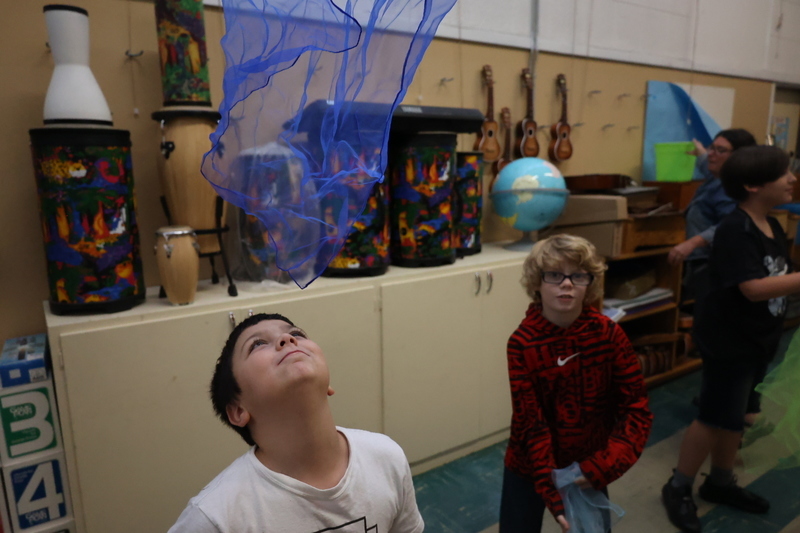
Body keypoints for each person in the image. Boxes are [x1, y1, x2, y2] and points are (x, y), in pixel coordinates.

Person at [169, 313, 424, 533]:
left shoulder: (386, 458)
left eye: (296, 334)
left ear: (328, 385)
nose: (287, 339)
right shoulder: (215, 517)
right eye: (258, 344)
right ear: (238, 410)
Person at [662, 146, 798, 533]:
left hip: (758, 339)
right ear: (753, 185)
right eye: (783, 173)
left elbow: (778, 275)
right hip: (730, 342)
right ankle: (678, 487)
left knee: (733, 417)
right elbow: (752, 288)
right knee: (712, 417)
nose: (792, 179)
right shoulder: (735, 229)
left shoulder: (771, 226)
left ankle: (720, 482)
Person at [500, 234, 654, 533]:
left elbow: (636, 410)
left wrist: (602, 466)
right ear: (537, 282)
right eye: (555, 275)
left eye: (578, 275)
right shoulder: (522, 343)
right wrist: (550, 490)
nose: (567, 284)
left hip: (590, 462)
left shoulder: (609, 335)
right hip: (528, 464)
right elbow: (531, 423)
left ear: (590, 282)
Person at [668, 129, 757, 301]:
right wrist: (701, 150)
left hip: (714, 265)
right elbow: (706, 164)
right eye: (711, 148)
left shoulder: (728, 189)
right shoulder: (718, 177)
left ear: (738, 157)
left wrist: (693, 243)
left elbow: (730, 224)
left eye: (720, 150)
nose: (711, 154)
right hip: (703, 262)